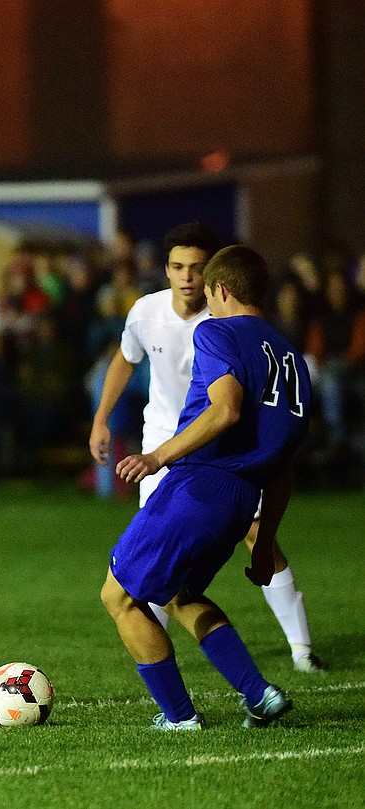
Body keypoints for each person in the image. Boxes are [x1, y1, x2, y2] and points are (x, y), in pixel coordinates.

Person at [89, 222, 326, 673]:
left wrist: (161, 455)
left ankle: (297, 652)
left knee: (144, 581)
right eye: (177, 266)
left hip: (214, 457)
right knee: (166, 580)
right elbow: (125, 357)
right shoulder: (146, 312)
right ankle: (234, 685)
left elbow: (226, 409)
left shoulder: (224, 326)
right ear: (165, 269)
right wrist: (102, 419)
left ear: (217, 278)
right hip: (171, 450)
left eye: (196, 268)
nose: (186, 277)